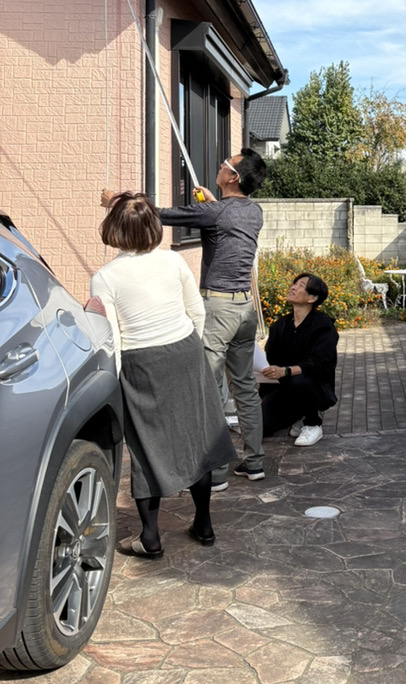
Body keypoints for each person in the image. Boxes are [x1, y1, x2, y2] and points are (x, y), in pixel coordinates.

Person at [102, 147, 268, 491]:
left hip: (219, 310)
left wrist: (115, 202)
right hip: (245, 309)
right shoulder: (253, 211)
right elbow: (224, 218)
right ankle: (254, 462)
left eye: (224, 165)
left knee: (207, 391)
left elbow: (158, 215)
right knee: (244, 388)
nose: (219, 166)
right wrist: (212, 204)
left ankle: (215, 475)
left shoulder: (215, 212)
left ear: (233, 177)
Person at [91, 193, 236, 555]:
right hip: (185, 350)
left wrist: (118, 382)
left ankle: (150, 537)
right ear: (154, 226)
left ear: (113, 228)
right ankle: (204, 525)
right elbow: (196, 311)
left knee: (146, 447)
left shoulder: (105, 277)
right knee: (196, 439)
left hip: (140, 362)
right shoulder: (173, 260)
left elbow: (112, 336)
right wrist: (189, 350)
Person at [259, 273, 339, 447]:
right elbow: (270, 362)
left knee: (299, 380)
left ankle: (313, 423)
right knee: (261, 427)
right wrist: (263, 396)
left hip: (315, 388)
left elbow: (321, 363)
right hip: (283, 387)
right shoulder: (280, 326)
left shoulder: (323, 326)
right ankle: (299, 416)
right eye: (294, 283)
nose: (293, 287)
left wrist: (286, 371)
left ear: (312, 298)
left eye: (300, 285)